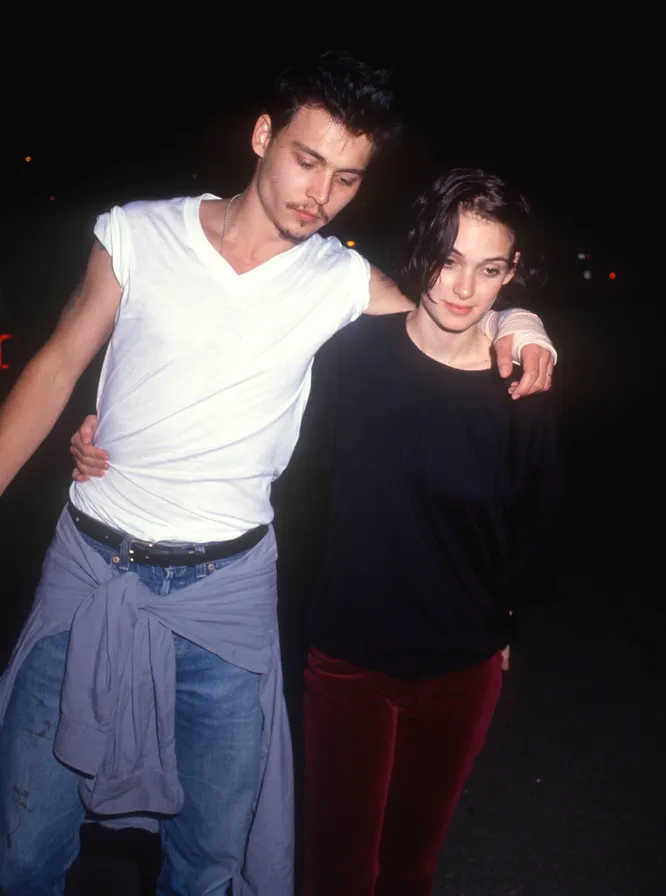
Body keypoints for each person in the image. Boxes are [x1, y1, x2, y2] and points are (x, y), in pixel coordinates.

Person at [0, 50, 556, 896]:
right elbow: (52, 368)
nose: (320, 194)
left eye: (346, 178)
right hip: (91, 565)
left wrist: (524, 316)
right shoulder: (139, 234)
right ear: (263, 136)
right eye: (307, 160)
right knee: (25, 849)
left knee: (211, 863)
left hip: (228, 595)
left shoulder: (337, 278)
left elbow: (450, 313)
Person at [276, 169, 560, 896]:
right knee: (335, 871)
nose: (464, 288)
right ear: (419, 249)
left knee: (411, 867)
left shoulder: (519, 387)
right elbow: (274, 452)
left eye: (489, 269)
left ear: (512, 272)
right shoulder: (349, 357)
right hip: (349, 661)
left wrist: (503, 625)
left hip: (460, 668)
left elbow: (531, 526)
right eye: (448, 258)